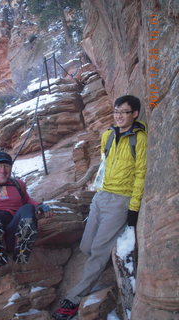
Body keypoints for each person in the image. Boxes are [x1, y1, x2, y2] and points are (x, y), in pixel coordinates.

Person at [52, 95, 147, 319]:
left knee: (97, 253)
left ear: (134, 114)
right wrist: (97, 191)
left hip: (120, 201)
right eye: (116, 111)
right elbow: (104, 163)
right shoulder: (108, 135)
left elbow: (141, 174)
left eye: (124, 112)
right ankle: (98, 265)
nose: (119, 116)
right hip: (101, 197)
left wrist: (132, 209)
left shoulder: (139, 139)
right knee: (86, 246)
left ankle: (73, 300)